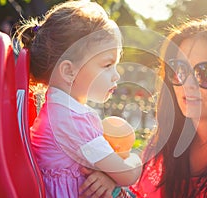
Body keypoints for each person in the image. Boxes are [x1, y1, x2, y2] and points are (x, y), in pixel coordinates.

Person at [81, 18, 207, 197]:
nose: (188, 84)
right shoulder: (165, 144)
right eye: (180, 70)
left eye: (206, 73)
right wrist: (113, 183)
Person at [14, 1, 142, 198]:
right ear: (68, 71)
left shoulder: (60, 111)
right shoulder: (73, 121)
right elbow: (127, 174)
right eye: (107, 64)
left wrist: (109, 176)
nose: (116, 75)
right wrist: (136, 159)